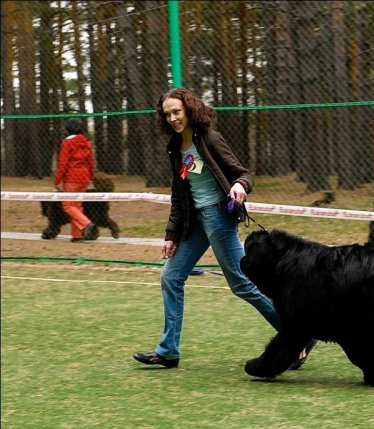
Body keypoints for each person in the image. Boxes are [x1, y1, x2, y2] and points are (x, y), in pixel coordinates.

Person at [133, 87, 316, 369]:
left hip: (218, 218)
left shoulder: (210, 138)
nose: (172, 118)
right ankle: (168, 350)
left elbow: (243, 174)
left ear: (189, 110)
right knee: (170, 277)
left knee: (242, 284)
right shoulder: (174, 146)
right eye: (167, 114)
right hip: (194, 223)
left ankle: (298, 336)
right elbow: (178, 196)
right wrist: (171, 235)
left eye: (177, 112)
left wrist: (240, 186)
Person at [54, 118, 97, 242]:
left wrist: (57, 181)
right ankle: (77, 235)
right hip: (84, 177)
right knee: (77, 206)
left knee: (68, 205)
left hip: (71, 178)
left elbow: (63, 164)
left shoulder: (67, 143)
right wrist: (89, 177)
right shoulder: (86, 143)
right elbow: (91, 162)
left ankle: (86, 223)